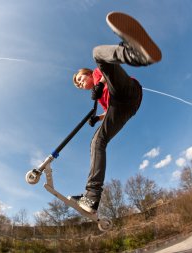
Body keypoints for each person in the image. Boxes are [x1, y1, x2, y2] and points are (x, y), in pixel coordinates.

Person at [68, 13, 161, 214]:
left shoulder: (97, 73)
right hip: (123, 108)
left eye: (80, 79)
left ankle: (135, 53)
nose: (80, 84)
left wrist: (100, 84)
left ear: (86, 74)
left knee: (98, 53)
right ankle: (91, 198)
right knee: (97, 142)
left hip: (126, 91)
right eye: (78, 85)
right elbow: (107, 110)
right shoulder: (100, 97)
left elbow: (102, 75)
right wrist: (98, 118)